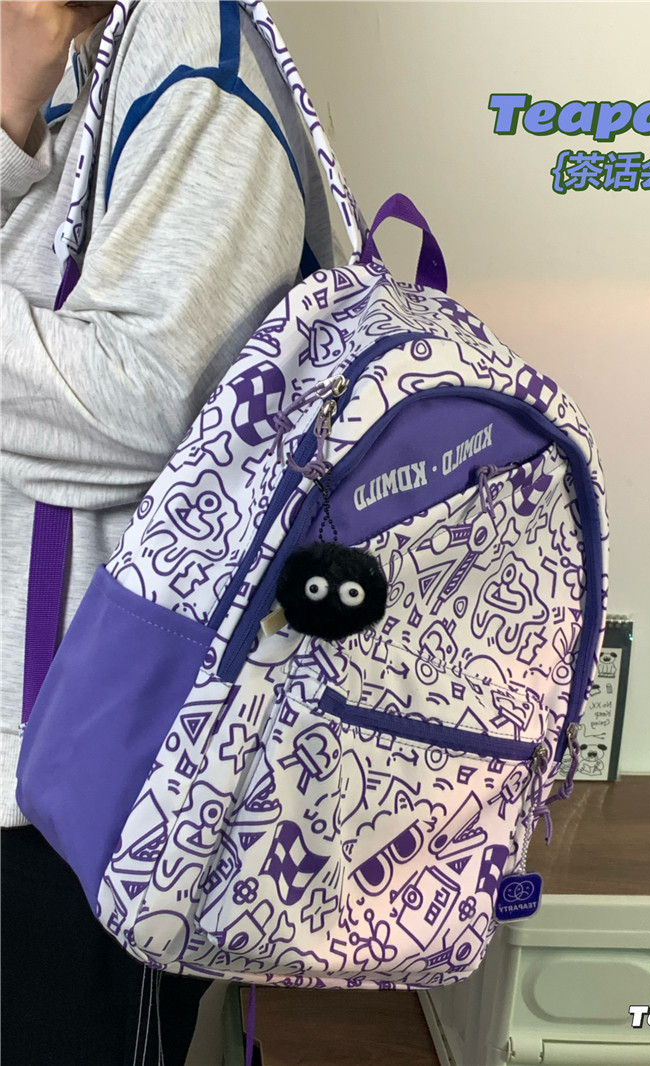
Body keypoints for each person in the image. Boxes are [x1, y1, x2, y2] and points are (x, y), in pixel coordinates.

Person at [1, 2, 336, 1062]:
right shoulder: (79, 51)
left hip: (77, 785)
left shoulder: (196, 53)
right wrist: (8, 111)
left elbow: (145, 409)